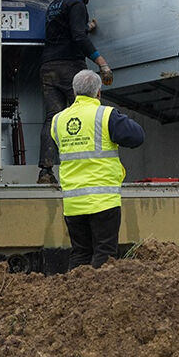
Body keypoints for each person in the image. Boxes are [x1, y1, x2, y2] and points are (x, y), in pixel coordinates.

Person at [51, 69, 145, 268]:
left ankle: (75, 295)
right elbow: (137, 137)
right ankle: (99, 298)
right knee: (105, 254)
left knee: (80, 254)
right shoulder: (106, 115)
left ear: (74, 92)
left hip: (73, 202)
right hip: (103, 200)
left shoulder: (58, 120)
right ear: (99, 93)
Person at [38, 0, 112, 184]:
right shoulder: (77, 5)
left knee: (53, 119)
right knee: (83, 115)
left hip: (48, 68)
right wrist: (102, 63)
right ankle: (86, 170)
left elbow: (66, 33)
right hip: (70, 69)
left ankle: (46, 172)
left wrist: (87, 27)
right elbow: (78, 37)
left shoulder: (55, 5)